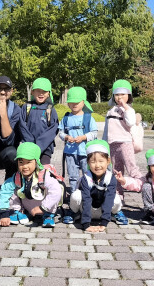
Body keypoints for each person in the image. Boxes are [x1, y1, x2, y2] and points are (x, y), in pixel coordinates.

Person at [0, 142, 64, 228]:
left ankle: (48, 215)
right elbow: (5, 191)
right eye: (21, 162)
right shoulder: (17, 176)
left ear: (36, 162)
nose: (24, 166)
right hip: (28, 207)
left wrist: (43, 208)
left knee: (52, 189)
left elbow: (56, 192)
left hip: (45, 207)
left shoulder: (44, 175)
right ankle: (18, 211)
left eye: (28, 162)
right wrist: (4, 215)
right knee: (12, 187)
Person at [66, 139, 127, 232]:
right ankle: (74, 213)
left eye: (101, 161)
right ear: (88, 163)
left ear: (108, 161)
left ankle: (114, 213)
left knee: (116, 198)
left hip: (103, 210)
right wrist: (86, 224)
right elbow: (86, 199)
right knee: (76, 195)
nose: (97, 165)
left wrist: (104, 222)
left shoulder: (110, 177)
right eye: (93, 161)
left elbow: (109, 198)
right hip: (87, 209)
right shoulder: (85, 178)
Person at [59, 87, 99, 225]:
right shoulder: (66, 118)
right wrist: (66, 137)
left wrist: (83, 137)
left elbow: (94, 133)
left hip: (85, 152)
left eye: (77, 102)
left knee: (88, 175)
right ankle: (74, 201)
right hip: (70, 152)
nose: (74, 104)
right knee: (73, 176)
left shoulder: (88, 118)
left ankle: (89, 197)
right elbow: (60, 132)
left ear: (83, 102)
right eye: (71, 102)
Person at [102, 79, 143, 201]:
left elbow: (130, 122)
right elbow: (106, 129)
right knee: (116, 170)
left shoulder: (129, 110)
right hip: (113, 144)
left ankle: (143, 185)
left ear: (128, 96)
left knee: (132, 168)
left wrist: (125, 107)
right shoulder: (111, 111)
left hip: (125, 142)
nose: (120, 97)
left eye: (123, 94)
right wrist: (104, 144)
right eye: (117, 94)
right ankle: (118, 197)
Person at [19, 77, 59, 165]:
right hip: (29, 146)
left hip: (45, 148)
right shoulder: (26, 107)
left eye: (44, 91)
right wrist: (30, 142)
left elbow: (53, 129)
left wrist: (39, 144)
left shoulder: (50, 109)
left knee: (44, 170)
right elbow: (22, 126)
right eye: (38, 91)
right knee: (28, 169)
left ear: (48, 93)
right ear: (32, 92)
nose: (41, 94)